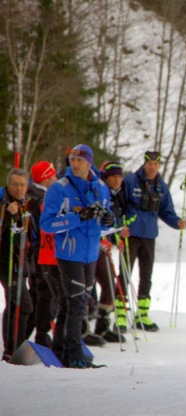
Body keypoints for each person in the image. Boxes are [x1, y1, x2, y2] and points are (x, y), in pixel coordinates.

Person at [40, 144, 115, 368]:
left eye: (80, 160)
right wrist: (77, 217)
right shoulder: (59, 188)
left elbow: (103, 222)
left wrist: (109, 221)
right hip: (68, 254)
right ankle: (75, 354)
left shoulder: (100, 186)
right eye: (72, 159)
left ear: (89, 162)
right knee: (77, 303)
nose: (75, 164)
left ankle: (60, 350)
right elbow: (47, 224)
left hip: (91, 254)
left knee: (70, 304)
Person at [122, 151, 186, 332]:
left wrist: (177, 223)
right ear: (144, 164)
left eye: (156, 165)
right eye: (150, 164)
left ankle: (142, 315)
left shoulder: (161, 186)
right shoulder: (130, 181)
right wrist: (120, 227)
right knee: (125, 274)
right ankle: (119, 315)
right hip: (130, 235)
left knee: (146, 276)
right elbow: (120, 205)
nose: (152, 167)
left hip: (149, 236)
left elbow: (166, 211)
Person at [0, 169, 37, 361]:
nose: (19, 188)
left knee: (20, 304)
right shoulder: (3, 201)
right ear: (8, 185)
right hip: (5, 262)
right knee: (22, 304)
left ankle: (16, 346)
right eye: (15, 184)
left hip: (21, 261)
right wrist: (6, 213)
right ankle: (12, 348)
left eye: (23, 184)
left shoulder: (27, 202)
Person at [92, 161, 128, 341]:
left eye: (120, 176)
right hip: (92, 245)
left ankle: (102, 326)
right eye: (113, 176)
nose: (117, 180)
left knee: (110, 286)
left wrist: (116, 238)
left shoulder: (118, 194)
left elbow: (112, 221)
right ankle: (82, 329)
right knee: (87, 288)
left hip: (104, 245)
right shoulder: (99, 190)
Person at [26, 161, 59, 348]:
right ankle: (41, 334)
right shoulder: (43, 198)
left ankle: (25, 336)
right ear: (46, 177)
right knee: (45, 294)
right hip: (43, 253)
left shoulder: (29, 194)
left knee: (37, 294)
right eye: (53, 175)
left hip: (32, 253)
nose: (56, 179)